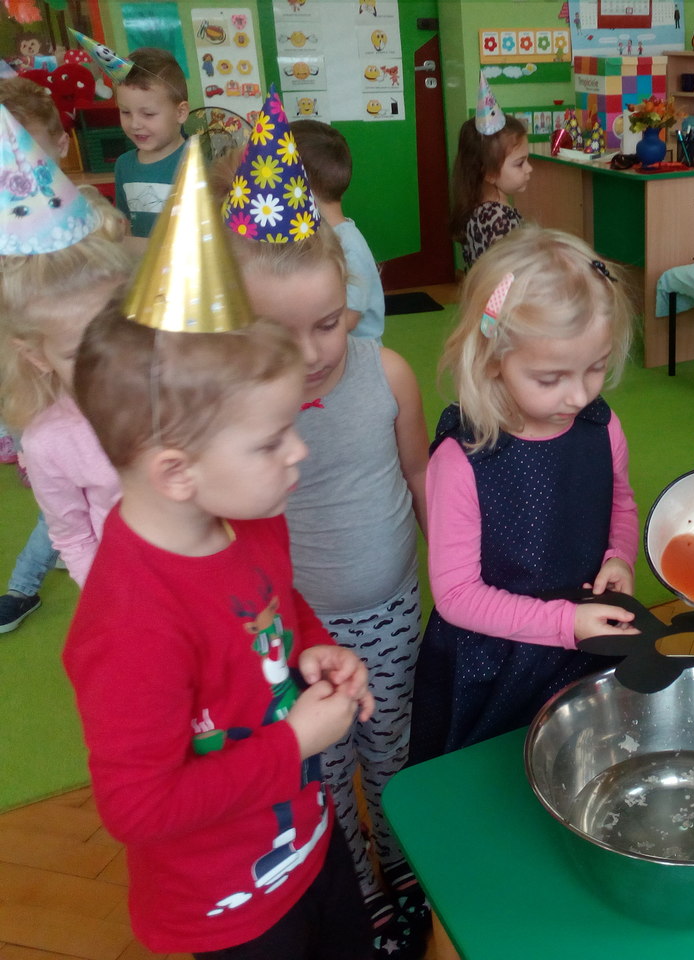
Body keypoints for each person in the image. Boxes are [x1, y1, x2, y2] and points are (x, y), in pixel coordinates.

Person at [63, 145, 375, 958]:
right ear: (177, 472)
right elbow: (138, 808)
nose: (298, 453)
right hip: (230, 907)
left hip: (310, 841)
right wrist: (293, 744)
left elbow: (272, 602)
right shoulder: (131, 624)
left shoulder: (251, 514)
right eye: (272, 441)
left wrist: (313, 645)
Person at [223, 91, 431, 957]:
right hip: (291, 633)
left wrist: (455, 579)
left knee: (392, 754)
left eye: (326, 322)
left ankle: (407, 867)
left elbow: (419, 477)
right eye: (281, 333)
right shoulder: (236, 412)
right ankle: (356, 888)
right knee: (320, 770)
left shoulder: (388, 374)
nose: (312, 351)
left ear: (351, 299)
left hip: (390, 612)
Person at [408, 226, 639, 765]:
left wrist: (619, 556)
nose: (579, 394)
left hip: (583, 649)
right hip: (494, 668)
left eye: (596, 367)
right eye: (550, 378)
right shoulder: (461, 460)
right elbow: (456, 595)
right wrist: (563, 624)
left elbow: (621, 506)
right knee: (489, 780)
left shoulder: (601, 427)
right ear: (493, 358)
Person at [0, 167, 132, 588]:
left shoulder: (178, 384)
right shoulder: (51, 442)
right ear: (37, 356)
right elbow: (73, 536)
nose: (109, 361)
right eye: (78, 354)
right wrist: (109, 601)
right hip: (131, 589)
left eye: (121, 331)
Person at [0, 81, 72, 631]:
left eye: (30, 149)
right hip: (22, 386)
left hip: (75, 383)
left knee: (68, 488)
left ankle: (23, 585)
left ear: (61, 144)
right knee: (55, 488)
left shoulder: (82, 219)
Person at [290, 119, 386, 340]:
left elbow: (349, 319)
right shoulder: (316, 237)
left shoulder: (348, 244)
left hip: (356, 355)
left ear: (298, 185)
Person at [450, 74, 530, 268]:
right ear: (490, 174)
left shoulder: (479, 208)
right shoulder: (497, 219)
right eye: (520, 163)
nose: (529, 168)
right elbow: (508, 274)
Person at [113, 46, 189, 238]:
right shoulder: (123, 165)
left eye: (148, 114)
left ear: (180, 113)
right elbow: (125, 224)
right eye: (125, 112)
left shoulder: (195, 164)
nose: (135, 124)